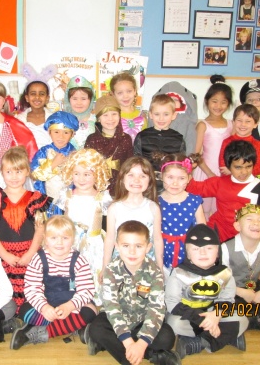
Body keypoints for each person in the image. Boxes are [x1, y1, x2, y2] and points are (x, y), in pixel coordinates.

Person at [87, 220, 179, 365]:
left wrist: (141, 343)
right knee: (97, 329)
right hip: (116, 321)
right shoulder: (111, 270)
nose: (132, 252)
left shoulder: (155, 272)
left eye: (138, 246)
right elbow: (112, 308)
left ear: (148, 247)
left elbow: (156, 309)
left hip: (142, 320)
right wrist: (129, 342)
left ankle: (117, 347)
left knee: (167, 337)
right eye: (126, 246)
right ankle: (147, 356)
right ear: (117, 246)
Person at [10, 215, 98, 349]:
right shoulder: (38, 259)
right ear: (45, 239)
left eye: (65, 238)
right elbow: (31, 289)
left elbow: (86, 290)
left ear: (73, 239)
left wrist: (69, 306)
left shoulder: (79, 261)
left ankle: (36, 333)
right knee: (24, 311)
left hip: (72, 306)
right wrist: (44, 307)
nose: (59, 243)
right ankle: (72, 327)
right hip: (47, 304)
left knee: (91, 311)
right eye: (54, 238)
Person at [0, 146, 53, 310]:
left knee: (33, 290)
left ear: (27, 171)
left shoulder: (35, 198)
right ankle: (8, 313)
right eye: (9, 172)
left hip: (29, 253)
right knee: (5, 291)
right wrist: (5, 255)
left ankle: (30, 312)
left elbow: (40, 230)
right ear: (2, 172)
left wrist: (30, 254)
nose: (14, 176)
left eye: (19, 171)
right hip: (3, 254)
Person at [165, 224, 248, 359]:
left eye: (209, 248)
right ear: (188, 253)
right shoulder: (179, 273)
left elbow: (227, 299)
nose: (203, 253)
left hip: (213, 312)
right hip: (189, 315)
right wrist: (201, 319)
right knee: (174, 324)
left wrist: (216, 315)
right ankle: (227, 338)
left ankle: (198, 343)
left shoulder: (225, 274)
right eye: (196, 249)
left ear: (217, 252)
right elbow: (172, 303)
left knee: (243, 319)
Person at [56, 148, 112, 305]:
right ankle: (70, 301)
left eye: (87, 174)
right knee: (70, 273)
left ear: (97, 174)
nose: (81, 179)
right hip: (69, 244)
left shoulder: (102, 198)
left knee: (91, 272)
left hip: (93, 245)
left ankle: (91, 304)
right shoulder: (66, 196)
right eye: (76, 173)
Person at [187, 140, 260, 243]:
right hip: (217, 234)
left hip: (247, 237)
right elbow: (193, 188)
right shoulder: (219, 182)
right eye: (238, 167)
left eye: (248, 166)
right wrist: (187, 169)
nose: (244, 172)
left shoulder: (257, 186)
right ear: (228, 166)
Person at [103, 156, 163, 276]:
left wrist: (160, 267)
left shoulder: (153, 208)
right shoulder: (114, 208)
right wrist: (105, 267)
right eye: (131, 175)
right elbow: (110, 239)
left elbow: (157, 239)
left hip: (146, 265)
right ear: (122, 179)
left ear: (150, 180)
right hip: (120, 265)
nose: (137, 180)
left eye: (142, 176)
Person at [155, 153, 206, 275]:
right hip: (162, 251)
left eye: (181, 178)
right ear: (161, 176)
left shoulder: (194, 201)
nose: (175, 183)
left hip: (189, 251)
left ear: (189, 178)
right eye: (170, 177)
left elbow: (202, 230)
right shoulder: (156, 201)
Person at [193, 75, 233, 219]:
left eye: (223, 102)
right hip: (205, 172)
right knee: (202, 211)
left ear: (228, 104)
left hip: (225, 173)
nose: (218, 106)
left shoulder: (231, 124)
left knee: (220, 210)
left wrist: (231, 169)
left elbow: (234, 152)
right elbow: (196, 155)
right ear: (207, 101)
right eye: (214, 101)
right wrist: (210, 174)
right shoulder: (203, 125)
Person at [84, 95, 133, 196]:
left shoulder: (126, 139)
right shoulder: (92, 139)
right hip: (96, 190)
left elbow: (129, 166)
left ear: (119, 116)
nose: (110, 119)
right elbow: (87, 166)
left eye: (114, 114)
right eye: (105, 115)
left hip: (120, 189)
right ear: (98, 118)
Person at [222, 203, 260, 330]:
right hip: (233, 292)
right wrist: (240, 291)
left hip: (255, 291)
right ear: (238, 226)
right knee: (226, 311)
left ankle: (252, 317)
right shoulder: (225, 248)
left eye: (259, 220)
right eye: (249, 219)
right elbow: (220, 280)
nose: (256, 223)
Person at [31, 111, 79, 201]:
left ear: (72, 134)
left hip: (68, 200)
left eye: (66, 133)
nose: (61, 137)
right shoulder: (43, 152)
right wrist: (53, 164)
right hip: (47, 199)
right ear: (50, 133)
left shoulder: (75, 154)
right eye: (56, 132)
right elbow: (35, 175)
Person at [134, 94, 186, 173]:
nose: (161, 118)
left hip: (170, 178)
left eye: (166, 114)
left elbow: (181, 165)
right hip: (146, 178)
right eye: (157, 114)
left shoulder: (179, 139)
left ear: (173, 115)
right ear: (150, 114)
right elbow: (136, 161)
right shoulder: (142, 136)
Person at [153, 81, 198, 155]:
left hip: (178, 158)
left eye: (175, 99)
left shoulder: (187, 122)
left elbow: (190, 143)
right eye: (169, 99)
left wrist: (188, 159)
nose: (172, 102)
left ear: (181, 101)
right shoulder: (158, 119)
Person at [218, 104, 260, 177]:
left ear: (255, 124)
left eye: (248, 121)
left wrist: (233, 171)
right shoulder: (227, 142)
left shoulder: (257, 144)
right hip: (229, 180)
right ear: (233, 122)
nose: (243, 124)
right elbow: (223, 165)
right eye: (239, 120)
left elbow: (258, 167)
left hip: (250, 181)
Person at [109, 72, 147, 143]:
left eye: (129, 91)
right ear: (113, 94)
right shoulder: (110, 117)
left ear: (135, 91)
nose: (125, 96)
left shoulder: (142, 116)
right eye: (120, 93)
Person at [16, 79, 52, 149]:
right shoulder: (19, 120)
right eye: (33, 94)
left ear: (47, 98)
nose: (37, 97)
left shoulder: (55, 118)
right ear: (27, 98)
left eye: (42, 94)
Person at [63, 75, 96, 150]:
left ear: (90, 100)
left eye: (83, 99)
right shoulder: (63, 120)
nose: (79, 103)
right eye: (74, 98)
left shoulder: (97, 121)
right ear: (68, 100)